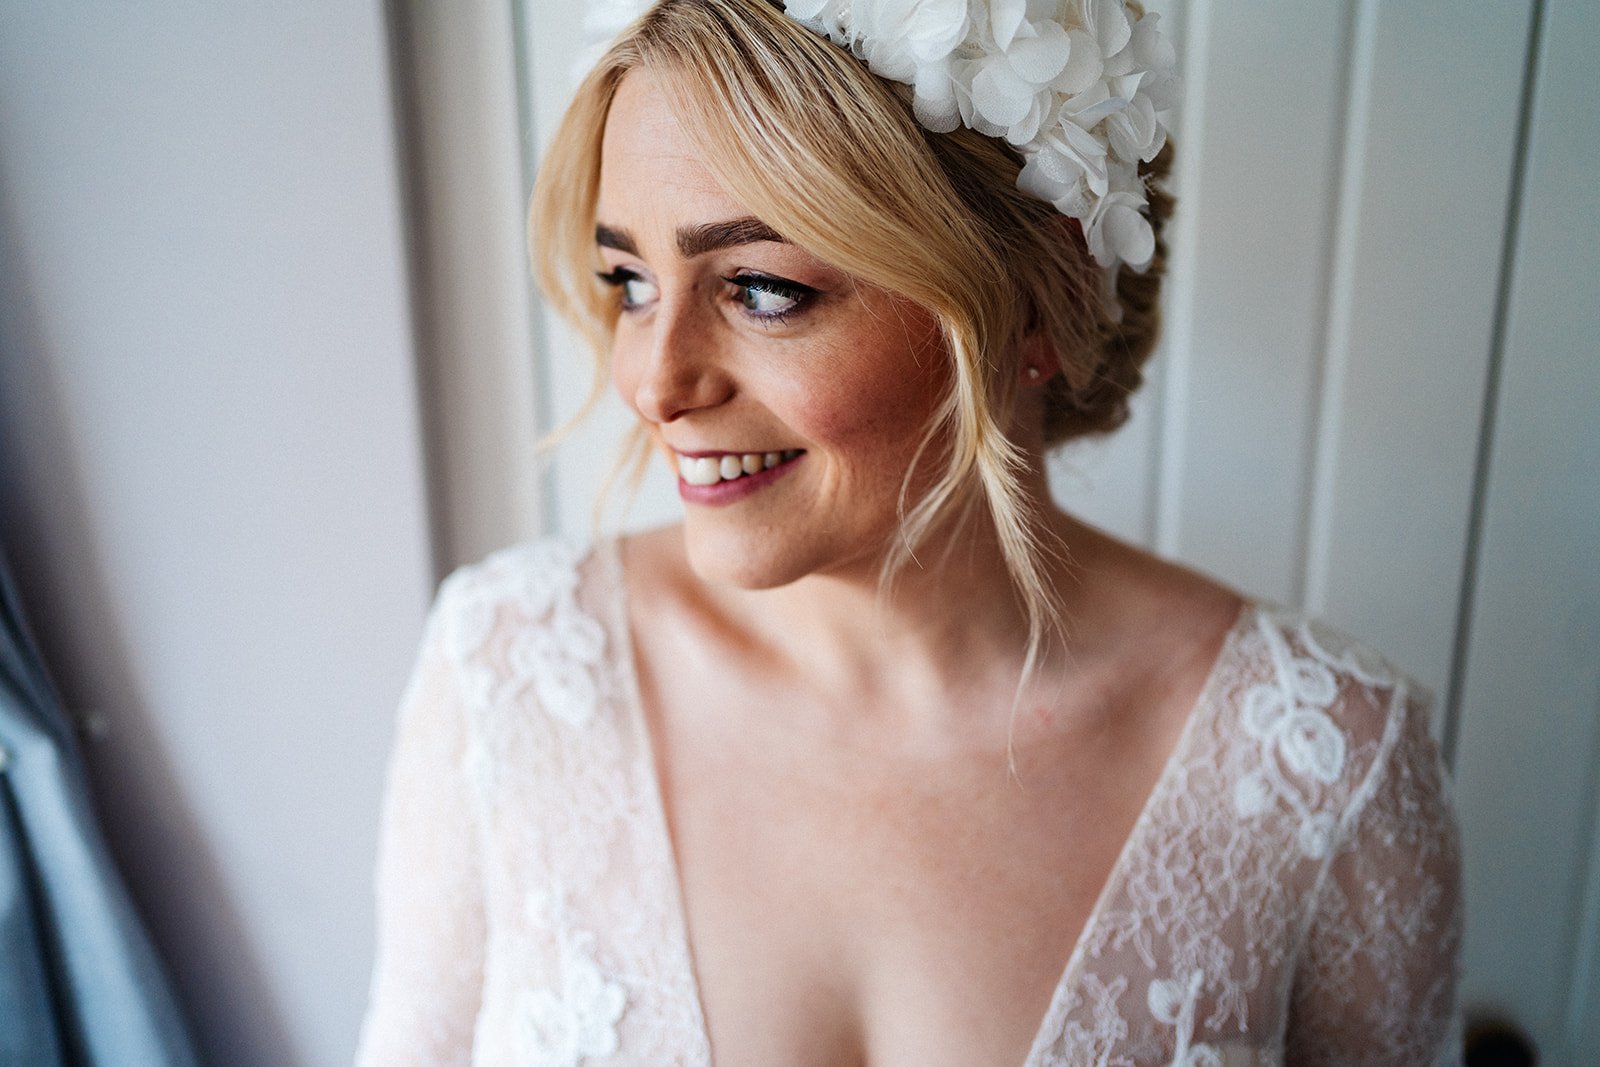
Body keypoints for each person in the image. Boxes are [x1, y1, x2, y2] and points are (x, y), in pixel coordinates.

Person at [353, 1, 1464, 1064]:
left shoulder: (1326, 764)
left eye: (761, 288)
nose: (652, 379)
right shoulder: (509, 669)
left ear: (1038, 298)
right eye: (630, 280)